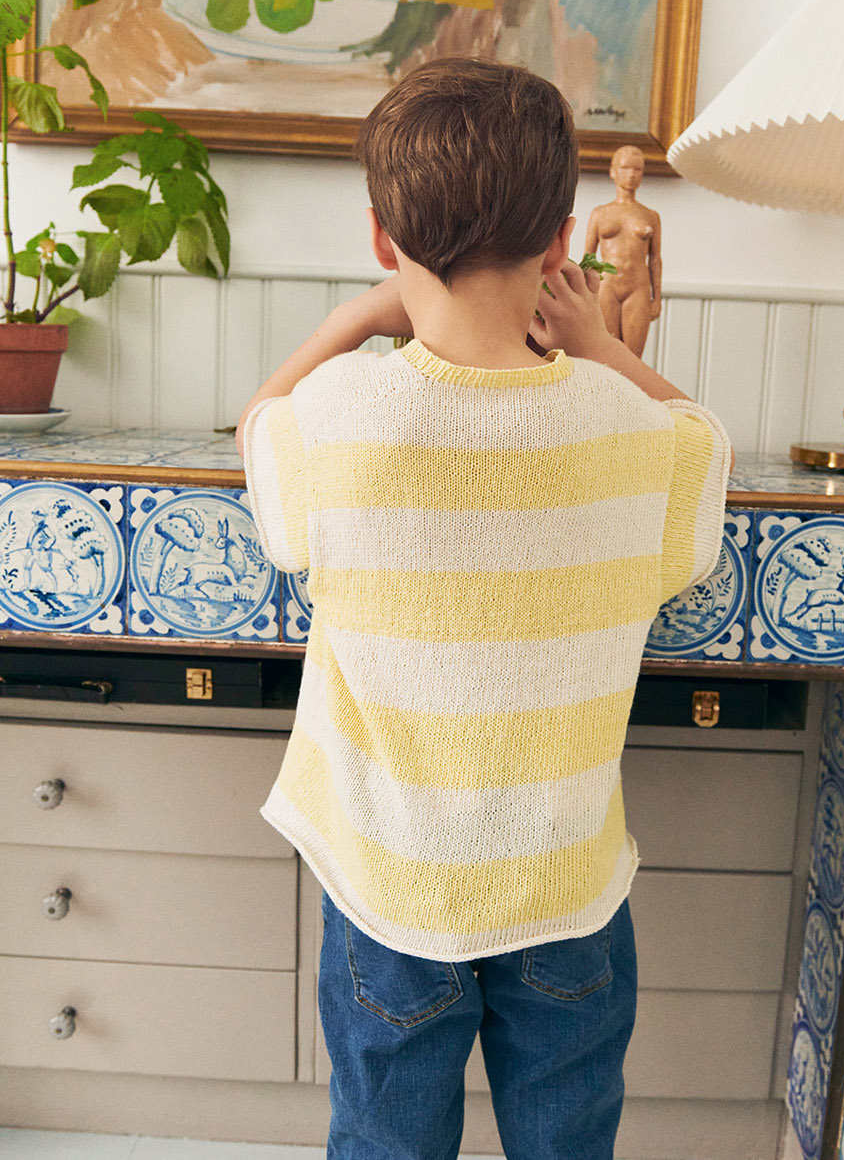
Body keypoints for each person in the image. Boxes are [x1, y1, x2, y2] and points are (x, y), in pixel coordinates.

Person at [236, 57, 731, 1160]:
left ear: (382, 238)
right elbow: (706, 442)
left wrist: (350, 321)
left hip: (393, 888)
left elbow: (258, 423)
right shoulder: (630, 432)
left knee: (385, 1139)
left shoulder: (339, 417)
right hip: (566, 890)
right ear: (561, 242)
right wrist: (603, 347)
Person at [584, 144, 662, 356]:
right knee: (607, 356)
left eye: (637, 169)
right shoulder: (600, 213)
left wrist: (657, 298)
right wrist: (585, 296)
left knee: (634, 358)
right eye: (626, 168)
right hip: (606, 286)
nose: (631, 174)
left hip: (638, 287)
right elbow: (588, 257)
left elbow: (655, 259)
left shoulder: (651, 216)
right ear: (613, 172)